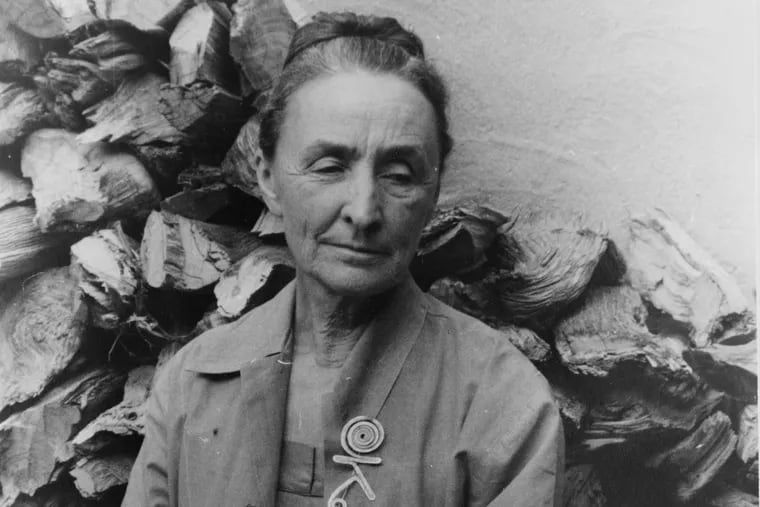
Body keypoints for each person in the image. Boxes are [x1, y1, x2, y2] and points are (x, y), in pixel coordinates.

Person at [123, 11, 564, 507]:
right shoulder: (192, 384)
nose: (364, 211)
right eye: (329, 166)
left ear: (435, 190)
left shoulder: (501, 400)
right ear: (267, 178)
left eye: (399, 175)